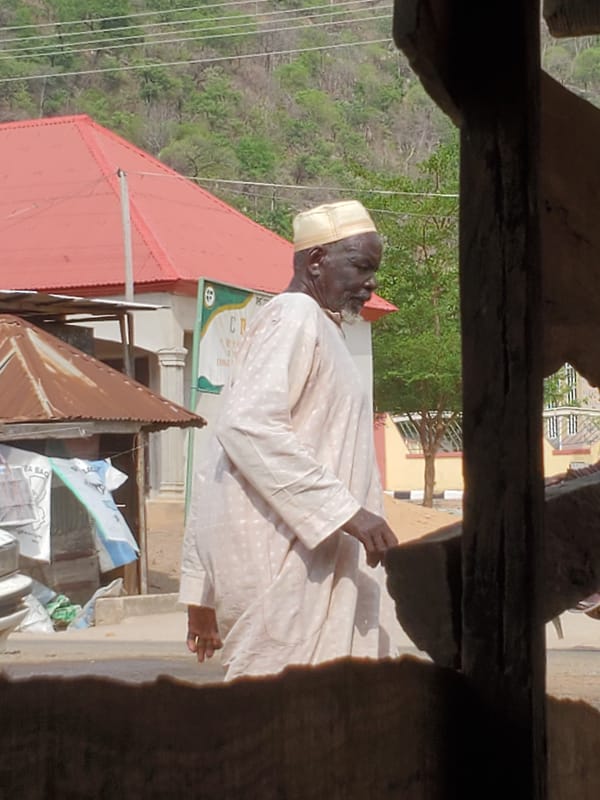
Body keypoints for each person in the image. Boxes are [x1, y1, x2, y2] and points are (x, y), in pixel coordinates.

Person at [179, 200, 401, 680]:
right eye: (361, 267)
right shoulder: (294, 314)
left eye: (374, 271)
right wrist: (346, 512)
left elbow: (215, 457)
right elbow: (246, 428)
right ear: (317, 260)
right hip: (283, 561)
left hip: (314, 556)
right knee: (287, 712)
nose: (371, 283)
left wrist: (200, 589)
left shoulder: (321, 327)